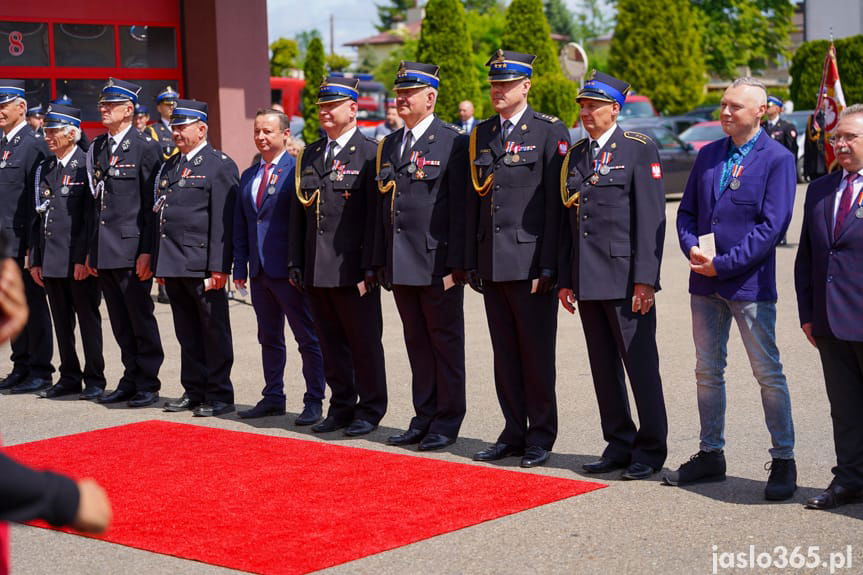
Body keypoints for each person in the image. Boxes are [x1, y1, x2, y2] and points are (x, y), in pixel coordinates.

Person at [666, 77, 798, 501]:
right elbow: (686, 213)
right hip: (704, 283)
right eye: (723, 104)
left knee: (767, 373)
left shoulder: (777, 159)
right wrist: (692, 248)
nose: (725, 112)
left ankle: (784, 459)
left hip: (748, 284)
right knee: (708, 370)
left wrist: (722, 265)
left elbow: (771, 227)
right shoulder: (709, 155)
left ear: (759, 111)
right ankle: (711, 454)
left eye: (735, 106)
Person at [558, 71, 668, 480]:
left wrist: (646, 279)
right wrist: (566, 278)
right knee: (603, 369)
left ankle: (650, 449)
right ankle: (619, 443)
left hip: (625, 280)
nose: (586, 113)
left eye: (594, 106)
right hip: (587, 279)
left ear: (615, 110)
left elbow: (650, 219)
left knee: (640, 367)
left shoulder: (638, 148)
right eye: (583, 106)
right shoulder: (576, 155)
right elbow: (569, 224)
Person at [465, 50, 570, 468]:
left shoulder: (548, 130)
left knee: (536, 355)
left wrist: (550, 265)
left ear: (526, 86)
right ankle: (512, 431)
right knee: (505, 355)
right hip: (492, 262)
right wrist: (473, 258)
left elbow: (556, 205)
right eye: (494, 84)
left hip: (530, 265)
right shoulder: (483, 132)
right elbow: (477, 202)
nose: (498, 90)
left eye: (506, 84)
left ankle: (540, 435)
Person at [372, 62, 468, 451]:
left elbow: (460, 209)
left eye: (409, 92)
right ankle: (424, 416)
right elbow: (384, 207)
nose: (401, 98)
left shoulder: (453, 141)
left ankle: (447, 421)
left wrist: (458, 265)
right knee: (416, 344)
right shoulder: (390, 144)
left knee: (445, 345)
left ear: (430, 97)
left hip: (435, 263)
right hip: (401, 261)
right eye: (399, 92)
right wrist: (381, 260)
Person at [289, 76, 387, 437]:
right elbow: (298, 215)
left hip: (353, 267)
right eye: (322, 106)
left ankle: (370, 408)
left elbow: (376, 217)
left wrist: (372, 264)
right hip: (317, 266)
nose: (325, 112)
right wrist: (296, 261)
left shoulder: (370, 152)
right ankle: (341, 405)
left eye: (333, 106)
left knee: (363, 343)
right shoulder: (310, 154)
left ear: (353, 108)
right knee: (330, 344)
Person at [233, 108, 325, 424]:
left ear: (286, 134)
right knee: (269, 338)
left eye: (267, 131)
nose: (261, 137)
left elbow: (307, 224)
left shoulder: (297, 171)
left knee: (307, 338)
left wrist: (301, 265)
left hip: (289, 271)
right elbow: (243, 224)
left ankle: (314, 400)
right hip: (259, 272)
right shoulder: (249, 175)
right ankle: (273, 396)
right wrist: (240, 267)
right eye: (257, 131)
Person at [795, 104, 863, 510]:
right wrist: (808, 314)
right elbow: (807, 255)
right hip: (830, 321)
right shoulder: (821, 188)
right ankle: (850, 480)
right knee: (845, 409)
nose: (840, 144)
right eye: (836, 137)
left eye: (850, 137)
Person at [156, 100, 237, 417]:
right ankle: (194, 390)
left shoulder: (219, 165)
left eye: (182, 127)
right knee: (186, 331)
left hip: (202, 262)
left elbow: (223, 222)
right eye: (174, 127)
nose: (176, 132)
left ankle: (219, 394)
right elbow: (162, 215)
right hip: (174, 260)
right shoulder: (171, 165)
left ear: (201, 129)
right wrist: (161, 261)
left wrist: (219, 266)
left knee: (213, 331)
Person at [87, 77, 165, 408]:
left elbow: (152, 206)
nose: (103, 109)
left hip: (132, 249)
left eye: (110, 105)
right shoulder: (98, 147)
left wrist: (148, 250)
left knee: (139, 317)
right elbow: (95, 204)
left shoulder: (145, 147)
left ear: (129, 109)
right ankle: (130, 377)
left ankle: (148, 381)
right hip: (105, 249)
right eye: (102, 104)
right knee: (119, 321)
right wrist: (91, 250)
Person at [29, 104, 105, 400]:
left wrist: (84, 257)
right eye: (46, 131)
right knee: (61, 323)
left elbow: (91, 217)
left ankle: (95, 378)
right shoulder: (46, 168)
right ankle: (69, 376)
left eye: (54, 131)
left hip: (77, 260)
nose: (48, 137)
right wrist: (36, 259)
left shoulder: (86, 164)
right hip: (51, 259)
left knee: (87, 321)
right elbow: (38, 217)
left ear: (72, 133)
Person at [0, 79, 55, 395]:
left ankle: (40, 369)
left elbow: (38, 201)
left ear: (21, 107)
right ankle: (20, 366)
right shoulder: (3, 144)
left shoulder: (34, 145)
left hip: (22, 242)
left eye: (3, 105)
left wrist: (34, 248)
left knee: (33, 308)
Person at [149, 86, 179, 162]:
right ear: (159, 108)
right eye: (168, 105)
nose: (172, 107)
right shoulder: (152, 130)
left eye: (174, 104)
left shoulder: (185, 128)